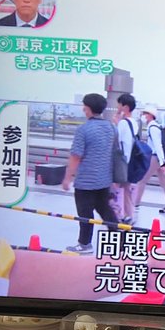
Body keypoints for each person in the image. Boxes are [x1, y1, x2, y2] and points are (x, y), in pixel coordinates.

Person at [62, 93, 118, 253]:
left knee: (85, 214)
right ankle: (119, 240)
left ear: (88, 109)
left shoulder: (83, 130)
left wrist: (67, 178)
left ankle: (85, 244)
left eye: (84, 106)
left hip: (85, 182)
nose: (83, 109)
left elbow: (76, 156)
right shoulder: (111, 128)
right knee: (106, 211)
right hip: (104, 180)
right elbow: (113, 152)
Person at [134, 105, 165, 215]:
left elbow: (158, 145)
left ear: (150, 115)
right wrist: (162, 162)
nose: (143, 116)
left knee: (142, 180)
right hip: (158, 158)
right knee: (164, 182)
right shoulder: (154, 127)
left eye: (144, 114)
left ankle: (135, 203)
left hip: (155, 158)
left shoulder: (153, 128)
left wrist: (162, 163)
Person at [115, 93, 138, 224]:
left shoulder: (123, 123)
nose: (117, 106)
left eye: (119, 104)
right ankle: (129, 216)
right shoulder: (134, 122)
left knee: (113, 189)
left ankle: (115, 215)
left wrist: (116, 121)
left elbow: (117, 141)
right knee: (127, 190)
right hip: (130, 162)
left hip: (121, 162)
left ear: (125, 107)